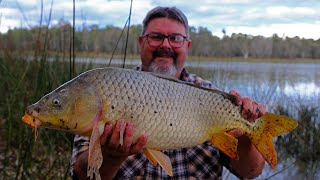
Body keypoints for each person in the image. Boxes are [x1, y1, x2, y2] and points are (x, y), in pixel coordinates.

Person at [70, 6, 266, 179]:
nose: (165, 45)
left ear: (187, 46)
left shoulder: (213, 96)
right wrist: (110, 158)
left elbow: (251, 172)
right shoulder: (110, 88)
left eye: (175, 38)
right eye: (156, 37)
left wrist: (245, 136)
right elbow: (79, 176)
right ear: (141, 42)